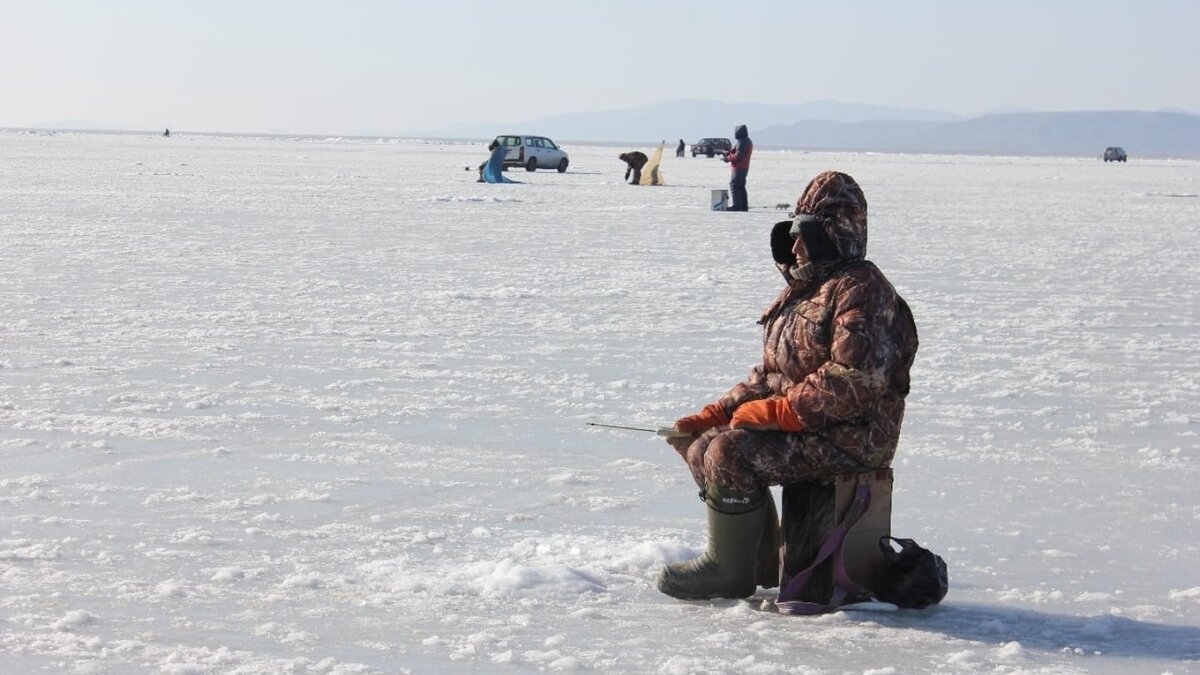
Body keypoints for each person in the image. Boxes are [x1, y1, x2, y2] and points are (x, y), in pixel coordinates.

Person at [656, 171, 919, 600]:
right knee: (705, 442)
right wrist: (719, 412)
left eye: (806, 234)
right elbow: (772, 374)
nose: (795, 246)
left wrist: (782, 412)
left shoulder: (863, 290)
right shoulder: (806, 290)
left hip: (854, 436)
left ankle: (728, 572)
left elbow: (856, 380)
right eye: (793, 234)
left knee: (730, 452)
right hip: (817, 425)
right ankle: (756, 563)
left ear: (834, 234)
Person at [723, 125, 752, 211]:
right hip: (744, 167)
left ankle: (737, 205)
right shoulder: (747, 140)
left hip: (739, 167)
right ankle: (743, 205)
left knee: (734, 185)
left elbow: (738, 156)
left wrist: (727, 158)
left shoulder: (742, 141)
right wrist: (729, 153)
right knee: (741, 186)